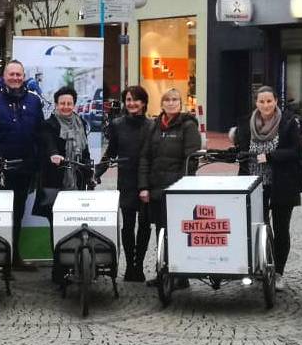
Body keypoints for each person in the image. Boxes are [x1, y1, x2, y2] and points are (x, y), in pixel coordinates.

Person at [230, 86, 302, 289]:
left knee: (281, 229)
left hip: (282, 183)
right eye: (261, 102)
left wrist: (271, 156)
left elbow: (296, 151)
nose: (265, 105)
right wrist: (237, 152)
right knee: (258, 227)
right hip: (254, 184)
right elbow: (242, 149)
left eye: (269, 101)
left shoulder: (288, 122)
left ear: (275, 102)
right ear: (256, 103)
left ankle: (278, 272)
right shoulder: (246, 123)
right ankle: (260, 265)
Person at [0, 60, 45, 270]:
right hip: (1, 167)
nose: (15, 78)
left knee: (18, 212)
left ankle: (14, 256)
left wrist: (40, 161)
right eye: (12, 74)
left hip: (26, 166)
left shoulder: (34, 101)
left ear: (24, 76)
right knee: (2, 212)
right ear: (4, 75)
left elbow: (40, 132)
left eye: (19, 74)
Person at [138, 88, 201, 287]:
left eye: (175, 99)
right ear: (162, 103)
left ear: (180, 103)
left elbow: (192, 160)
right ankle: (163, 272)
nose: (171, 103)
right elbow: (145, 158)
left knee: (177, 232)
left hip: (177, 190)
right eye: (167, 100)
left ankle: (180, 276)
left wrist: (182, 186)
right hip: (156, 189)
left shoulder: (188, 126)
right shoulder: (154, 126)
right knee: (161, 232)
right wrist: (143, 186)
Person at [97, 85, 152, 282]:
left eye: (136, 99)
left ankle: (139, 264)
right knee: (127, 226)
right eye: (128, 99)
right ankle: (130, 266)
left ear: (144, 102)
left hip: (146, 182)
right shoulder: (117, 125)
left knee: (145, 225)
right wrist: (97, 172)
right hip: (126, 181)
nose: (132, 103)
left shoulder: (152, 126)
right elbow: (110, 152)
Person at [38, 86, 94, 215]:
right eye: (62, 103)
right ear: (56, 105)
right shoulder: (49, 124)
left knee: (74, 217)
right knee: (55, 218)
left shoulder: (81, 123)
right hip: (55, 179)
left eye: (69, 103)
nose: (66, 106)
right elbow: (48, 143)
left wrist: (90, 172)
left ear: (74, 105)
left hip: (77, 178)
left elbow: (85, 150)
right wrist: (54, 154)